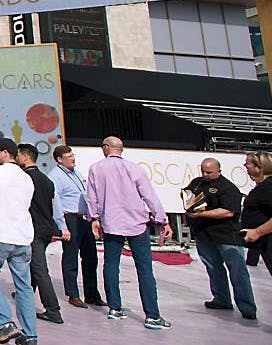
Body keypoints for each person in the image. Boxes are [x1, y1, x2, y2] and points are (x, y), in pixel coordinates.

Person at [86, 136, 172, 330]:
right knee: (144, 269)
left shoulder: (96, 168)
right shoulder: (135, 168)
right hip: (136, 223)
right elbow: (149, 195)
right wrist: (162, 219)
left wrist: (94, 218)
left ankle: (114, 308)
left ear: (107, 148)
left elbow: (92, 197)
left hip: (111, 223)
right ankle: (152, 315)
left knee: (110, 265)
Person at [0, 138, 38, 345]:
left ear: (5, 153)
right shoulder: (26, 178)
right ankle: (30, 334)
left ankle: (5, 323)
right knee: (24, 285)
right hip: (22, 237)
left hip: (0, 235)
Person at [183, 157, 256, 319]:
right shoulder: (197, 183)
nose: (205, 174)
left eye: (209, 172)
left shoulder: (228, 188)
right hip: (204, 233)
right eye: (202, 171)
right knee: (213, 267)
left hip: (226, 235)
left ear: (218, 171)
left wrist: (201, 213)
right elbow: (188, 195)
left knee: (237, 271)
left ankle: (247, 307)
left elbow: (229, 211)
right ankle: (221, 299)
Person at [18, 143, 70, 325]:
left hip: (33, 228)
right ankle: (23, 293)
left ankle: (53, 309)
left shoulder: (23, 179)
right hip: (46, 227)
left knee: (40, 268)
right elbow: (55, 206)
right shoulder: (47, 180)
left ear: (25, 157)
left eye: (18, 156)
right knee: (35, 263)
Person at [48, 145, 105, 309]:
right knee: (71, 256)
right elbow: (56, 203)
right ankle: (72, 294)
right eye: (69, 156)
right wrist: (62, 225)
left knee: (90, 257)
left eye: (73, 155)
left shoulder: (77, 173)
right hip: (70, 218)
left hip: (84, 218)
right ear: (59, 159)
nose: (73, 158)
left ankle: (92, 294)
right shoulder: (55, 176)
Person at [240, 152, 272, 344]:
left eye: (248, 165)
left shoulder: (270, 187)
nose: (246, 168)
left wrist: (258, 231)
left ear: (259, 167)